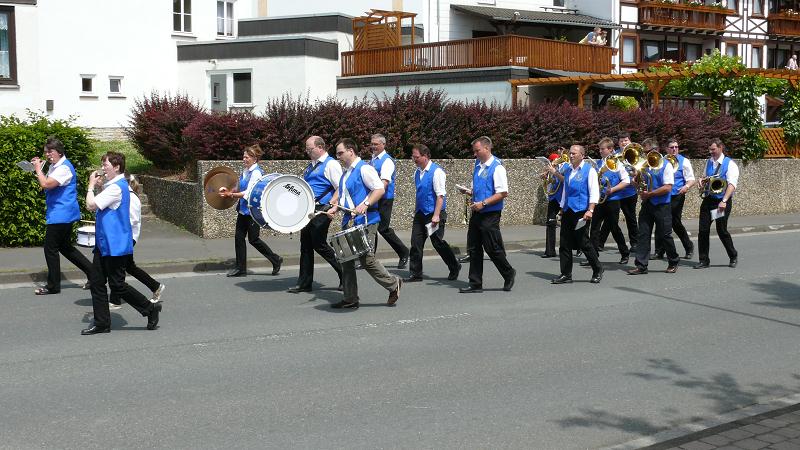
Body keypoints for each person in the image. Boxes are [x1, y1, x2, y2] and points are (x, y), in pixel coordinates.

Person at [81, 152, 162, 335]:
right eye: (102, 164)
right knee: (97, 282)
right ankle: (102, 323)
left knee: (117, 285)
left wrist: (91, 186)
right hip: (105, 244)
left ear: (117, 167)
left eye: (106, 164)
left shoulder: (116, 187)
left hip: (115, 245)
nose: (103, 168)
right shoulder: (113, 186)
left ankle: (149, 308)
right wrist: (99, 187)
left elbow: (91, 205)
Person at [326, 138, 402, 309]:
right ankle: (350, 298)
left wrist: (366, 204)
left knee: (366, 260)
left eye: (340, 153)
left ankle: (393, 284)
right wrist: (335, 209)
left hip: (366, 221)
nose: (338, 157)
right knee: (346, 259)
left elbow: (379, 189)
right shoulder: (346, 173)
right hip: (350, 220)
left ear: (351, 151)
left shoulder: (364, 168)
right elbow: (346, 198)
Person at [31, 136, 93, 295]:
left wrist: (38, 169)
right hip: (60, 212)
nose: (47, 155)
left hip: (62, 213)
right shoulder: (56, 165)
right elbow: (46, 183)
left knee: (50, 248)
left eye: (49, 152)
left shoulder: (64, 168)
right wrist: (38, 169)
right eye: (45, 152)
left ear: (58, 152)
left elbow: (46, 184)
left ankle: (53, 286)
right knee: (65, 247)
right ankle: (94, 274)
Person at [457, 136, 516, 293]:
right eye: (474, 151)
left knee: (492, 248)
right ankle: (475, 283)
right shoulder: (478, 165)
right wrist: (469, 192)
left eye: (477, 151)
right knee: (474, 248)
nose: (475, 154)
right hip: (477, 211)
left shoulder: (497, 167)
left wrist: (483, 203)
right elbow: (481, 189)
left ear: (487, 148)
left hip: (490, 213)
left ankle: (508, 272)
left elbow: (503, 192)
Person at [287, 136, 344, 294]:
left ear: (320, 147)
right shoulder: (311, 166)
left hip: (323, 209)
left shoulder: (331, 164)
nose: (307, 152)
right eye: (306, 149)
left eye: (309, 149)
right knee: (305, 245)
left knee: (319, 244)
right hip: (309, 209)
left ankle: (344, 273)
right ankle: (304, 283)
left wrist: (333, 205)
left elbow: (341, 186)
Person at [219, 144, 283, 277]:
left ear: (254, 158)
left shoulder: (256, 172)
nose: (244, 159)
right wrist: (229, 190)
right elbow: (239, 187)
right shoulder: (245, 171)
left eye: (247, 157)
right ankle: (241, 268)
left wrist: (231, 195)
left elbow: (249, 193)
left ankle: (275, 259)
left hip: (252, 211)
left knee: (254, 239)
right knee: (239, 238)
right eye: (243, 156)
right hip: (243, 210)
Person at [404, 143, 461, 282]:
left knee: (438, 243)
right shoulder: (417, 172)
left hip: (434, 213)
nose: (414, 159)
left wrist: (436, 215)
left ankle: (454, 266)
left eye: (416, 157)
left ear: (425, 156)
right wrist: (415, 210)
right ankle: (416, 273)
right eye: (413, 156)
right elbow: (419, 193)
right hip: (420, 213)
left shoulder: (437, 172)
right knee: (416, 242)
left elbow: (440, 196)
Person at [108, 174, 166, 310]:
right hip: (123, 236)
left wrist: (115, 226)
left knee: (118, 267)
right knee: (128, 267)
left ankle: (115, 300)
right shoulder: (124, 193)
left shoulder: (131, 196)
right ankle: (155, 286)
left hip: (128, 237)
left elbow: (132, 220)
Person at [549, 144, 603, 284]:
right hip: (568, 210)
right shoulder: (568, 170)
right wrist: (561, 208)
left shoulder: (589, 170)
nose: (571, 156)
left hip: (581, 211)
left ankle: (597, 269)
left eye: (574, 153)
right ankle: (566, 274)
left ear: (582, 155)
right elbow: (566, 190)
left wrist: (590, 210)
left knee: (583, 242)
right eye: (570, 153)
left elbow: (594, 192)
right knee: (564, 243)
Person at [627, 139, 680, 275]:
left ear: (656, 151)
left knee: (665, 235)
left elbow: (668, 187)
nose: (645, 155)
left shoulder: (666, 165)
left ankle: (673, 261)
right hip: (648, 205)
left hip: (662, 205)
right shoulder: (645, 166)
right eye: (645, 152)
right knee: (643, 234)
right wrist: (635, 182)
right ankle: (641, 265)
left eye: (648, 152)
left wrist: (649, 194)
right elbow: (639, 183)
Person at [694, 138, 739, 269]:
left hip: (721, 202)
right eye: (710, 149)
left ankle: (733, 255)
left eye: (713, 149)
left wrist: (724, 201)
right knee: (703, 230)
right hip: (709, 200)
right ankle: (703, 260)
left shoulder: (730, 164)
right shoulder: (709, 162)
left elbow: (732, 185)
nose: (711, 152)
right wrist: (701, 181)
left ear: (720, 148)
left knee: (721, 230)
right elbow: (705, 177)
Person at [369, 134, 410, 269]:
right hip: (374, 197)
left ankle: (403, 252)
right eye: (372, 144)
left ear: (383, 145)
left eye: (376, 144)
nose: (373, 146)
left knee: (383, 228)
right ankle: (369, 258)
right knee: (371, 227)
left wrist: (373, 197)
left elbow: (384, 183)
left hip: (384, 199)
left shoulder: (387, 161)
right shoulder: (373, 159)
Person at [588, 137, 631, 265]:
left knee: (614, 228)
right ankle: (593, 256)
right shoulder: (599, 163)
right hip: (600, 200)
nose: (600, 151)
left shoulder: (618, 163)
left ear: (610, 149)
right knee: (594, 228)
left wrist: (612, 189)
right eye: (599, 149)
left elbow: (626, 181)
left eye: (603, 149)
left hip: (613, 200)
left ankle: (625, 253)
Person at [652, 139, 695, 260]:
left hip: (677, 195)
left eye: (676, 147)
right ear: (666, 149)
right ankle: (659, 251)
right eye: (671, 147)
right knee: (660, 222)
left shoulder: (684, 161)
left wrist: (686, 187)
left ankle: (688, 246)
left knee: (674, 223)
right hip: (662, 195)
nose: (675, 149)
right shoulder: (661, 160)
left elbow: (691, 179)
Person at [599, 132, 639, 253]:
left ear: (630, 141)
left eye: (626, 140)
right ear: (618, 143)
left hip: (629, 192)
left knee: (630, 218)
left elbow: (639, 171)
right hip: (615, 193)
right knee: (609, 220)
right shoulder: (614, 155)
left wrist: (635, 173)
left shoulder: (634, 154)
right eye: (621, 141)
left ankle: (635, 243)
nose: (624, 143)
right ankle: (600, 243)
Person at [540, 150, 567, 258]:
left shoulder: (567, 167)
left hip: (564, 198)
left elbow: (566, 180)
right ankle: (550, 251)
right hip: (554, 197)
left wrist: (554, 171)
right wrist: (545, 175)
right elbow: (550, 182)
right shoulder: (552, 167)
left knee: (568, 225)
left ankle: (576, 248)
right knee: (550, 223)